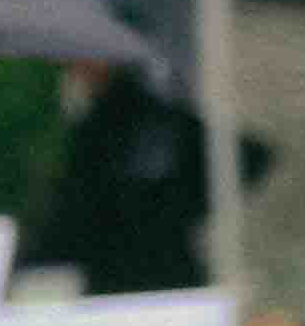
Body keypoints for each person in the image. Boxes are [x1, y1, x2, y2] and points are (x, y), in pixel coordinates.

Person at [17, 51, 241, 296]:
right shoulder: (138, 115)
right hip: (155, 267)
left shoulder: (113, 123)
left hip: (129, 271)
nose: (74, 72)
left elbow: (79, 207)